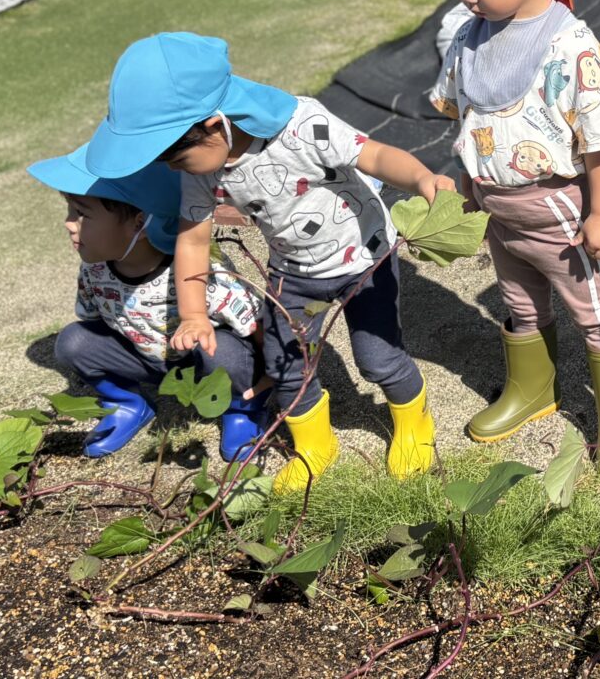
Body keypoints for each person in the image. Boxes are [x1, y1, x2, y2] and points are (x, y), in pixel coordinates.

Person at [84, 33, 452, 494]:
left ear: (214, 125)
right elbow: (193, 240)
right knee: (284, 362)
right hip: (292, 273)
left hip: (364, 256)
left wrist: (422, 177)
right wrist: (194, 313)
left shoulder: (302, 126)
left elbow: (373, 153)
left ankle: (414, 424)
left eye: (175, 158)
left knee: (378, 357)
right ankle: (315, 445)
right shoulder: (203, 171)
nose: (173, 169)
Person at [423, 0, 600, 478]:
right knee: (519, 301)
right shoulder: (470, 37)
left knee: (591, 310)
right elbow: (465, 117)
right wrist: (470, 187)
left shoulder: (570, 46)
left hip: (558, 211)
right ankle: (533, 388)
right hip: (499, 211)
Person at [28, 145, 269, 461]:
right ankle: (126, 403)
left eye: (82, 213)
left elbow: (256, 322)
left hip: (204, 362)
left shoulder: (199, 272)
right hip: (153, 362)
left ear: (139, 222)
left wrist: (274, 372)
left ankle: (241, 408)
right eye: (70, 210)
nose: (69, 223)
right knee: (73, 341)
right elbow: (94, 321)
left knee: (221, 351)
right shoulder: (95, 269)